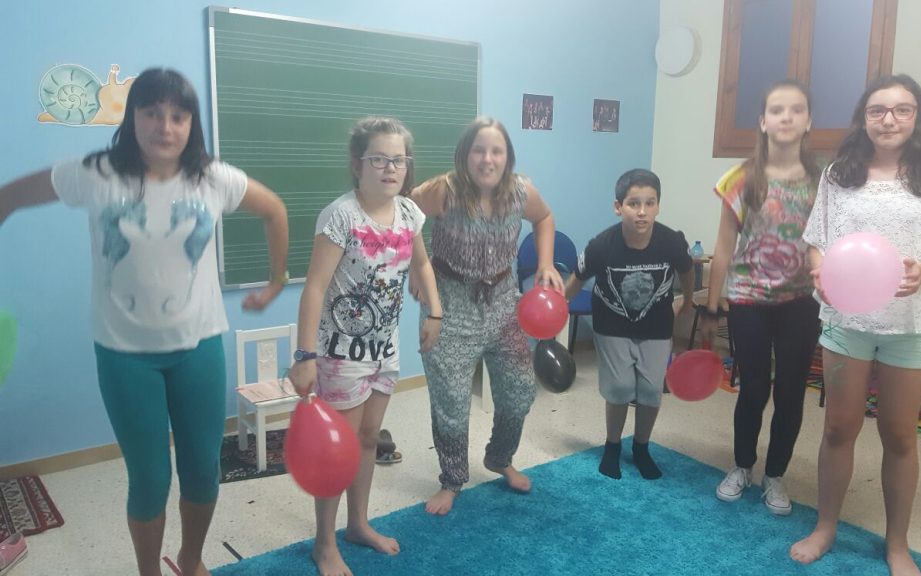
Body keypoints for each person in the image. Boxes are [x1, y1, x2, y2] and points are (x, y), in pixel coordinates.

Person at [0, 68, 289, 576]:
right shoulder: (95, 173)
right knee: (150, 479)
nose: (165, 126)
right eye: (152, 112)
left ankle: (191, 559)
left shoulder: (213, 178)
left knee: (203, 472)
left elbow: (275, 210)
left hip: (197, 350)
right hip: (124, 358)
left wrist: (275, 280)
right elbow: (7, 198)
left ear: (191, 123)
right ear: (132, 116)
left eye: (178, 115)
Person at [789, 74, 921, 576]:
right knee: (837, 427)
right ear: (864, 117)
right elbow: (817, 240)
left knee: (899, 435)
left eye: (901, 109)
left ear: (917, 116)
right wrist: (818, 268)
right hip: (846, 320)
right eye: (878, 110)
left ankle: (898, 545)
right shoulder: (839, 173)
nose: (888, 119)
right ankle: (825, 526)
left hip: (911, 324)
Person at [288, 117, 442, 576]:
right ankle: (324, 544)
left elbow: (423, 264)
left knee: (370, 439)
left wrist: (434, 309)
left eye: (399, 160)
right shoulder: (341, 216)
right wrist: (304, 356)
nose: (390, 168)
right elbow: (314, 287)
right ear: (358, 165)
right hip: (340, 353)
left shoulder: (411, 213)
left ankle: (358, 524)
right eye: (379, 159)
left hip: (384, 350)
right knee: (339, 450)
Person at [409, 117, 564, 515]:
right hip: (449, 305)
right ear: (465, 154)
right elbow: (405, 215)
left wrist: (546, 263)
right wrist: (415, 268)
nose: (487, 159)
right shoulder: (443, 191)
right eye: (479, 150)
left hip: (502, 304)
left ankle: (499, 457)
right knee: (452, 403)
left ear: (507, 156)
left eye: (496, 151)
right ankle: (452, 480)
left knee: (519, 390)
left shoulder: (520, 191)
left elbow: (544, 219)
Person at [700, 80, 822, 515]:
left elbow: (828, 244)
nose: (786, 117)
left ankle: (775, 475)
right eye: (776, 110)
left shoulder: (824, 182)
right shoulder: (740, 179)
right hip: (748, 300)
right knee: (752, 388)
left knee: (791, 392)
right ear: (763, 121)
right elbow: (724, 246)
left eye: (796, 109)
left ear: (808, 121)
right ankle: (742, 466)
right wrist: (713, 308)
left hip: (800, 303)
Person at [564, 168, 693, 480]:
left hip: (657, 324)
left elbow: (687, 271)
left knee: (650, 391)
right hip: (612, 324)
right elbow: (576, 281)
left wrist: (687, 302)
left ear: (658, 206)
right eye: (634, 203)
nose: (642, 212)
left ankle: (641, 447)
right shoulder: (601, 245)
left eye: (650, 203)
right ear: (618, 206)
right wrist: (557, 307)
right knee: (620, 388)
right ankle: (611, 447)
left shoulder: (671, 242)